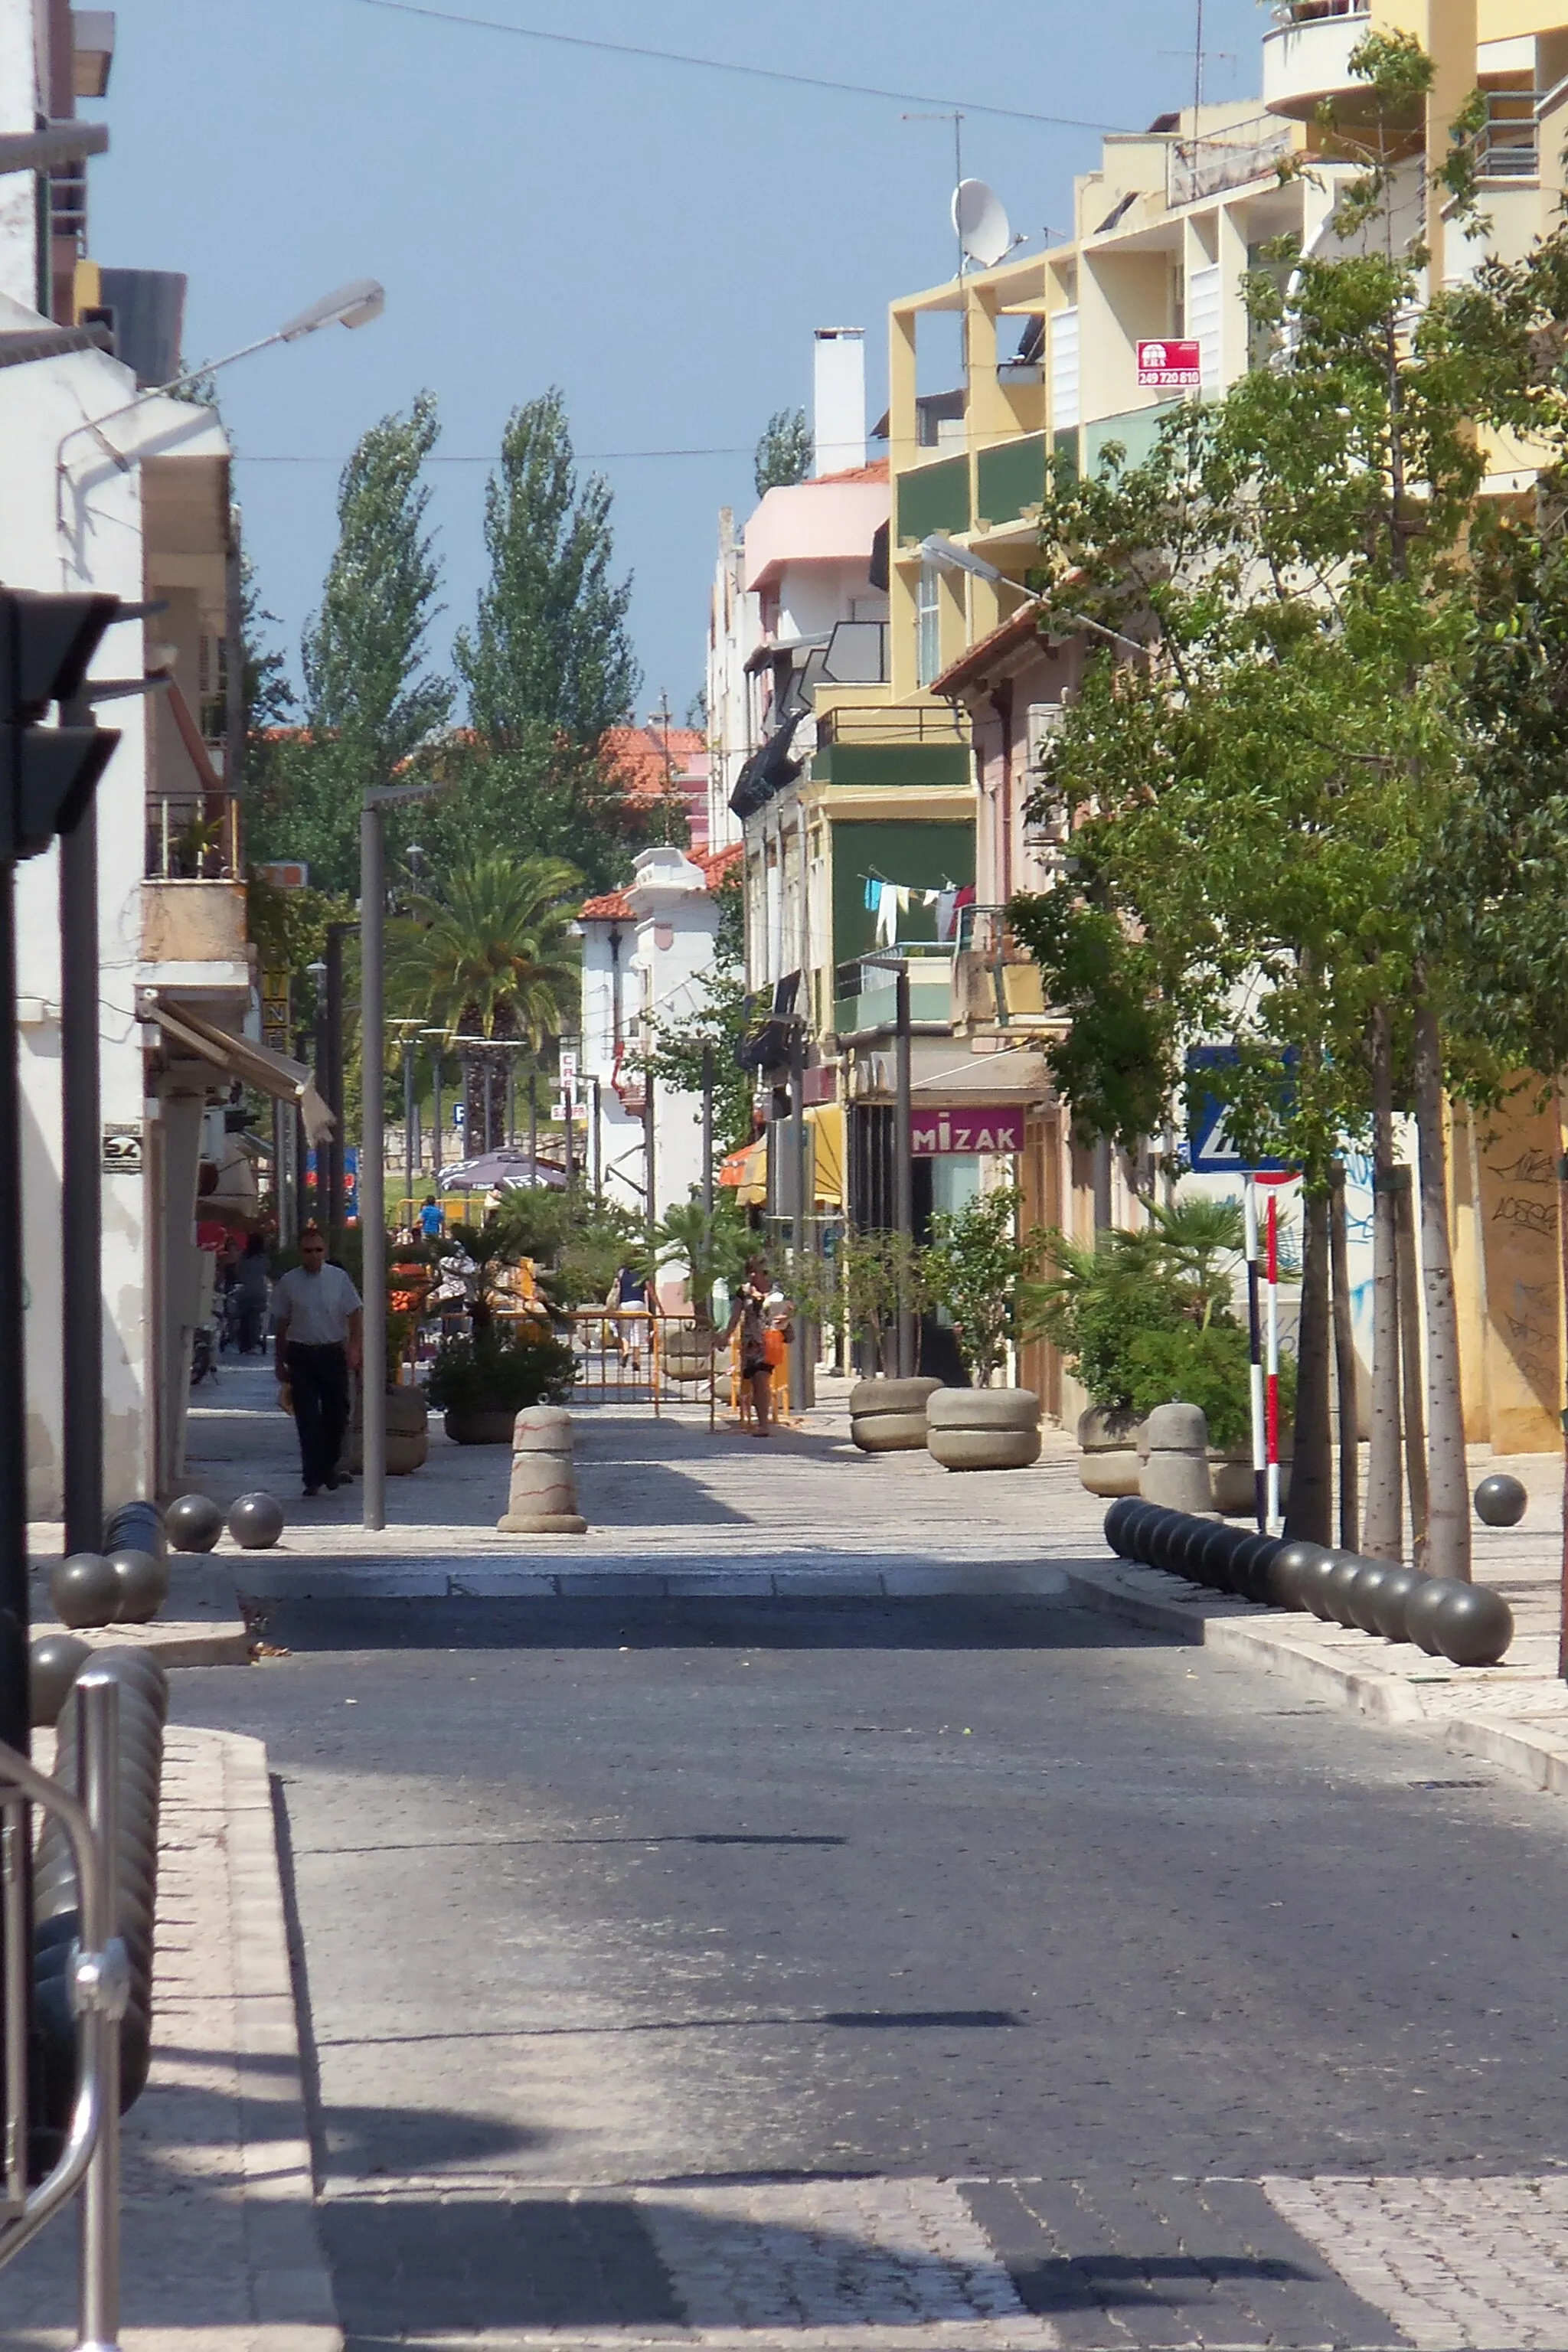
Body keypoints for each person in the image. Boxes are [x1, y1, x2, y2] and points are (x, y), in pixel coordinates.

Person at [272, 1226, 363, 1496]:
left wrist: (355, 1348)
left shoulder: (338, 1279)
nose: (314, 1256)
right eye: (308, 1251)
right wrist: (279, 1361)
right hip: (302, 1355)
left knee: (337, 1414)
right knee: (308, 1418)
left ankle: (328, 1466)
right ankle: (312, 1477)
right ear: (301, 1253)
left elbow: (355, 1312)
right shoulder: (289, 1283)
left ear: (325, 1252)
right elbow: (282, 1323)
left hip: (332, 1352)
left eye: (319, 1250)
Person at [726, 1258, 783, 1436]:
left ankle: (764, 1424)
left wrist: (783, 1316)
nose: (752, 1275)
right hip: (751, 1343)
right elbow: (735, 1316)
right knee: (754, 1382)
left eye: (755, 1271)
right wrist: (725, 1336)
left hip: (770, 1340)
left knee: (761, 1379)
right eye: (749, 1271)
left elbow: (788, 1310)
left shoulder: (776, 1290)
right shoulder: (743, 1292)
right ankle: (756, 1420)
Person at [233, 1232, 271, 1355]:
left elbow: (237, 1271)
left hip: (244, 1291)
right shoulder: (264, 1258)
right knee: (256, 1316)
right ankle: (252, 1343)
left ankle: (243, 1342)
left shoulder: (243, 1257)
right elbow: (267, 1269)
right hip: (259, 1291)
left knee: (244, 1316)